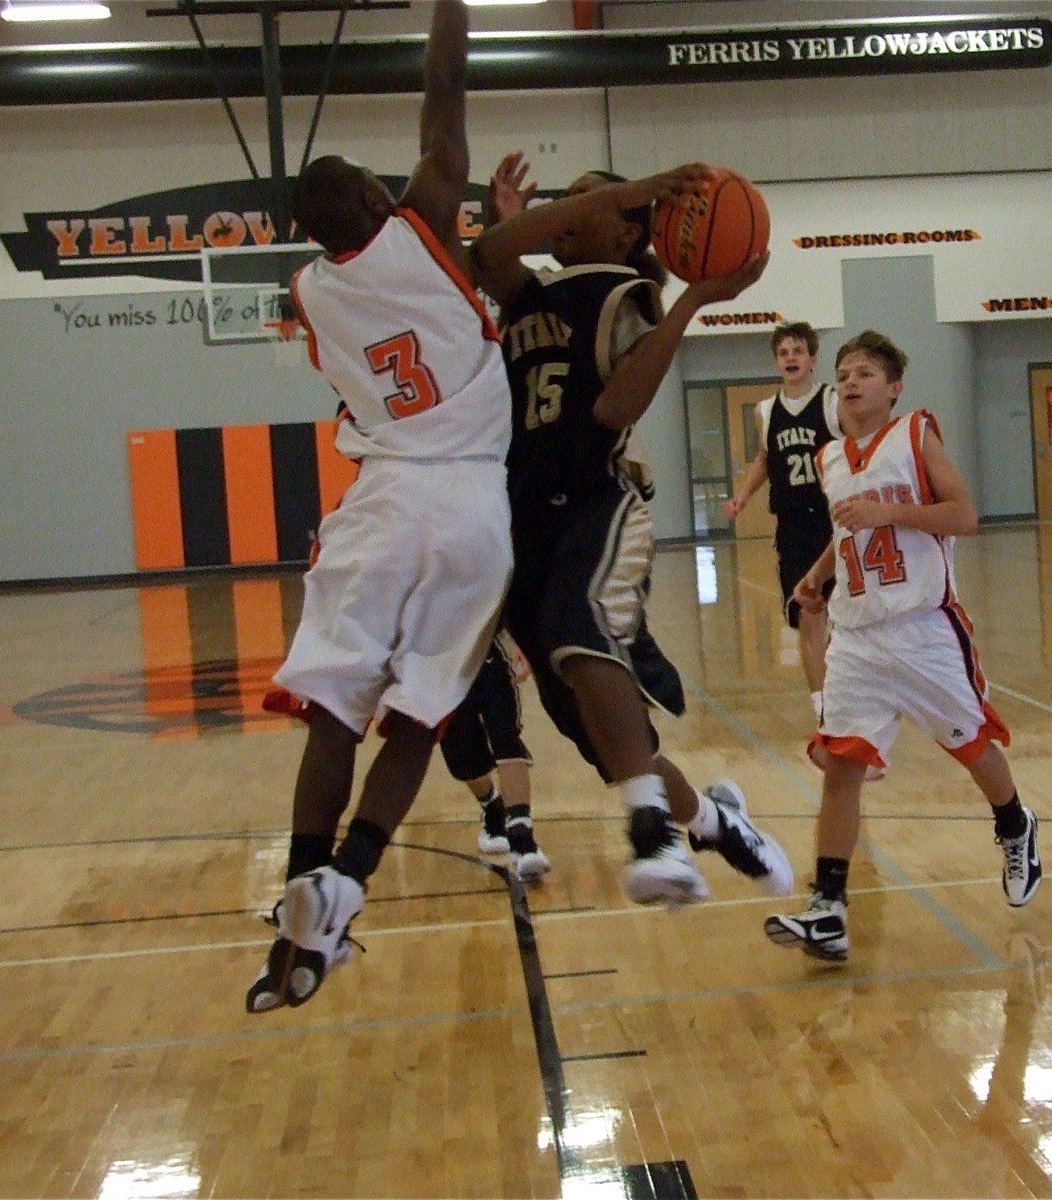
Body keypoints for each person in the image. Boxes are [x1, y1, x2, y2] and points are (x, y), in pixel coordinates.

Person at [246, 0, 513, 1013]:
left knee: (331, 713)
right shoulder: (424, 224)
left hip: (377, 504)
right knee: (418, 716)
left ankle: (299, 921)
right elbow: (443, 94)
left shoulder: (306, 292)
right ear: (373, 192)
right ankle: (349, 877)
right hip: (467, 511)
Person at [471, 155, 794, 908]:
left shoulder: (629, 294)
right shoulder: (528, 291)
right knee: (607, 739)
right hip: (522, 514)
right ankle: (716, 823)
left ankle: (654, 839)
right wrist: (513, 218)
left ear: (624, 228)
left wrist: (695, 302)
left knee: (573, 624)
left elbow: (615, 410)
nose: (571, 207)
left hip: (596, 496)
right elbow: (485, 255)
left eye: (592, 200)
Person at [764, 330, 1041, 963]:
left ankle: (1014, 824)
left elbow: (963, 516)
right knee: (841, 765)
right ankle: (828, 907)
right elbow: (850, 531)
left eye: (865, 372)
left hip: (923, 629)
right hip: (857, 635)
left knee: (971, 745)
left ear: (893, 387)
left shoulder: (915, 434)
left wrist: (889, 515)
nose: (853, 381)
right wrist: (819, 573)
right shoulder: (831, 458)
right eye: (845, 373)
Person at [722, 321, 842, 726]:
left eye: (798, 351)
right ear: (777, 362)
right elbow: (765, 459)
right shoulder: (766, 411)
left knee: (846, 618)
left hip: (833, 520)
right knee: (809, 615)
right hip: (792, 526)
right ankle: (823, 706)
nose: (791, 357)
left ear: (812, 359)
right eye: (784, 352)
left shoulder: (831, 402)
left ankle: (851, 692)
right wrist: (743, 496)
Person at [439, 630, 550, 882]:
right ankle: (491, 805)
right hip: (440, 661)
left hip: (491, 648)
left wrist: (524, 643)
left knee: (506, 738)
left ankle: (523, 840)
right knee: (464, 760)